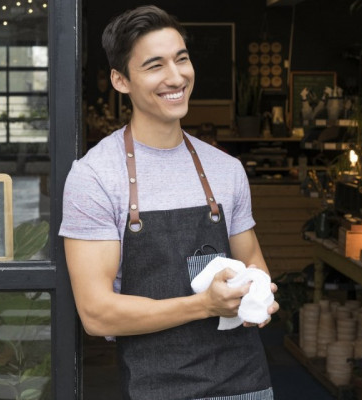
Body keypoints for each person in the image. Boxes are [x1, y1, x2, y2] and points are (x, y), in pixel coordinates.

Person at [59, 5, 277, 400]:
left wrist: (258, 291)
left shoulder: (226, 169)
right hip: (156, 386)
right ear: (120, 80)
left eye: (182, 59)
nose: (176, 77)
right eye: (155, 65)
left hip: (246, 384)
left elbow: (253, 261)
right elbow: (96, 312)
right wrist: (206, 305)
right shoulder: (95, 177)